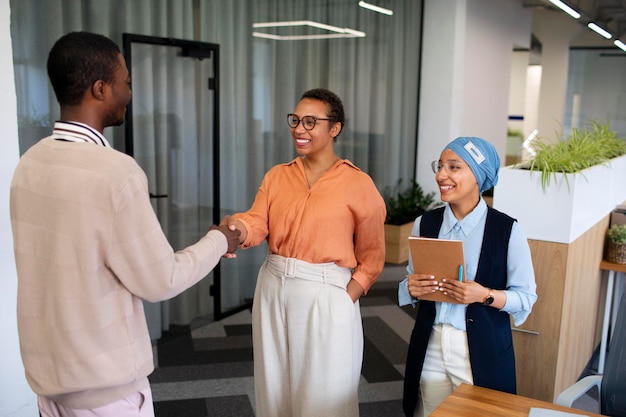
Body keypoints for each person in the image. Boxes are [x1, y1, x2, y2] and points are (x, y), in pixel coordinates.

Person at [9, 31, 240, 417]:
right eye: (125, 83)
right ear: (100, 89)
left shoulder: (28, 164)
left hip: (48, 383)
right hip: (104, 392)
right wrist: (219, 240)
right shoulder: (115, 173)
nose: (129, 93)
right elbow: (160, 279)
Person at [221, 88, 386, 417]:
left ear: (334, 128)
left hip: (326, 291)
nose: (299, 128)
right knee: (273, 387)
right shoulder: (278, 175)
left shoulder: (358, 184)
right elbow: (258, 220)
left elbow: (372, 257)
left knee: (323, 394)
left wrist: (344, 297)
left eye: (311, 122)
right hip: (272, 283)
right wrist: (237, 228)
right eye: (295, 120)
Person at [398, 136, 537, 417]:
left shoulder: (507, 231)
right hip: (432, 345)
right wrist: (411, 287)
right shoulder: (425, 223)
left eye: (453, 167)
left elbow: (526, 296)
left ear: (478, 176)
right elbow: (409, 281)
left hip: (480, 350)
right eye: (439, 166)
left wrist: (484, 295)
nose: (441, 175)